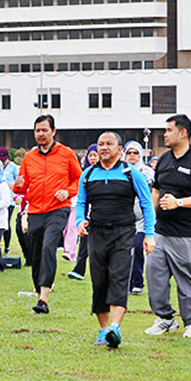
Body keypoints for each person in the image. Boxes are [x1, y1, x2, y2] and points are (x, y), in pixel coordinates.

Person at [76, 132, 156, 348]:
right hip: (97, 234)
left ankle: (115, 328)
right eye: (100, 144)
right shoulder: (88, 174)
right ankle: (103, 331)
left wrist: (149, 234)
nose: (104, 147)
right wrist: (80, 221)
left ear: (119, 149)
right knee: (99, 280)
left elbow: (147, 204)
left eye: (109, 144)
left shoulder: (131, 173)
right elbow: (81, 202)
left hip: (124, 233)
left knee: (119, 277)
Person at [144, 115, 191, 338]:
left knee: (187, 276)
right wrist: (150, 219)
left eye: (168, 130)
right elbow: (156, 190)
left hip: (188, 233)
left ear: (183, 133)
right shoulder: (163, 160)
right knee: (154, 274)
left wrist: (179, 203)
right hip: (161, 231)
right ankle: (165, 318)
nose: (164, 134)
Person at [13, 115, 83, 314]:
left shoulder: (66, 154)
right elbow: (22, 186)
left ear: (53, 131)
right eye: (37, 131)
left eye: (44, 130)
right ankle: (39, 292)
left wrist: (68, 192)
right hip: (35, 210)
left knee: (48, 247)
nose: (40, 134)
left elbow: (79, 179)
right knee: (35, 254)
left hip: (57, 209)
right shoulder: (29, 157)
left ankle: (44, 298)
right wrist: (19, 187)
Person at [124, 141, 155, 295]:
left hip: (141, 218)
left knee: (137, 248)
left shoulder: (147, 172)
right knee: (124, 251)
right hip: (125, 217)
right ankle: (126, 283)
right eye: (129, 153)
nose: (132, 156)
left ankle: (138, 281)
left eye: (135, 153)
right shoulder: (121, 170)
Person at [67, 145, 99, 280]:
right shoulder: (84, 173)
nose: (92, 158)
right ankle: (79, 269)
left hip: (100, 213)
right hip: (87, 214)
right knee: (83, 242)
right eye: (90, 155)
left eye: (95, 155)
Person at [0, 147, 19, 255]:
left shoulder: (13, 167)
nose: (2, 161)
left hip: (9, 199)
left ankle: (7, 246)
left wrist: (13, 185)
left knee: (6, 223)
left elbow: (20, 182)